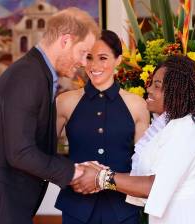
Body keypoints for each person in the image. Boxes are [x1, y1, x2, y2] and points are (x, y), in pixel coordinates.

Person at [0, 7, 100, 224]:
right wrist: (74, 172)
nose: (84, 63)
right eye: (83, 53)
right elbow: (20, 152)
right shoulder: (28, 77)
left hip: (3, 201)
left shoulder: (38, 73)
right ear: (65, 41)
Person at [73, 55, 195, 224]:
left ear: (177, 91)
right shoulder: (169, 127)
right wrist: (99, 175)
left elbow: (154, 186)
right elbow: (146, 178)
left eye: (157, 85)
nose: (149, 89)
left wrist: (101, 177)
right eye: (151, 83)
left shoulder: (187, 130)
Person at [55, 30, 150, 224]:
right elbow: (43, 152)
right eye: (89, 57)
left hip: (123, 210)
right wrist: (72, 174)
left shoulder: (137, 105)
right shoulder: (64, 102)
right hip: (76, 207)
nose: (94, 65)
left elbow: (142, 166)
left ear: (118, 60)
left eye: (103, 58)